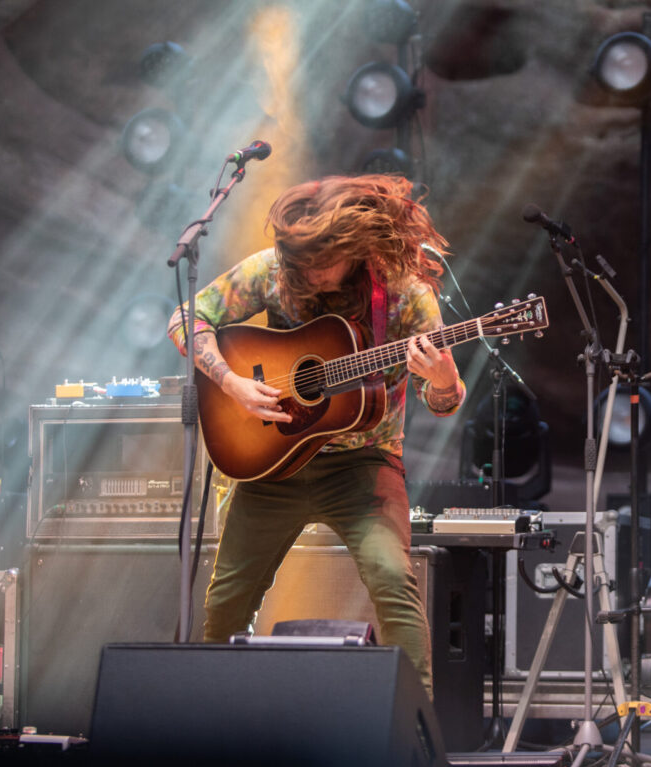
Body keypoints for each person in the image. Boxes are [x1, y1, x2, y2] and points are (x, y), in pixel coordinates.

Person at [167, 174, 465, 698]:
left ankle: (417, 733)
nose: (305, 273)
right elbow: (189, 316)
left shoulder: (405, 297)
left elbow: (443, 402)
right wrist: (232, 383)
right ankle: (213, 720)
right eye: (298, 263)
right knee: (227, 600)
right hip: (273, 460)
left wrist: (444, 381)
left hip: (362, 465)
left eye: (318, 265)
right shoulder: (277, 271)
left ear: (353, 251)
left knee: (393, 580)